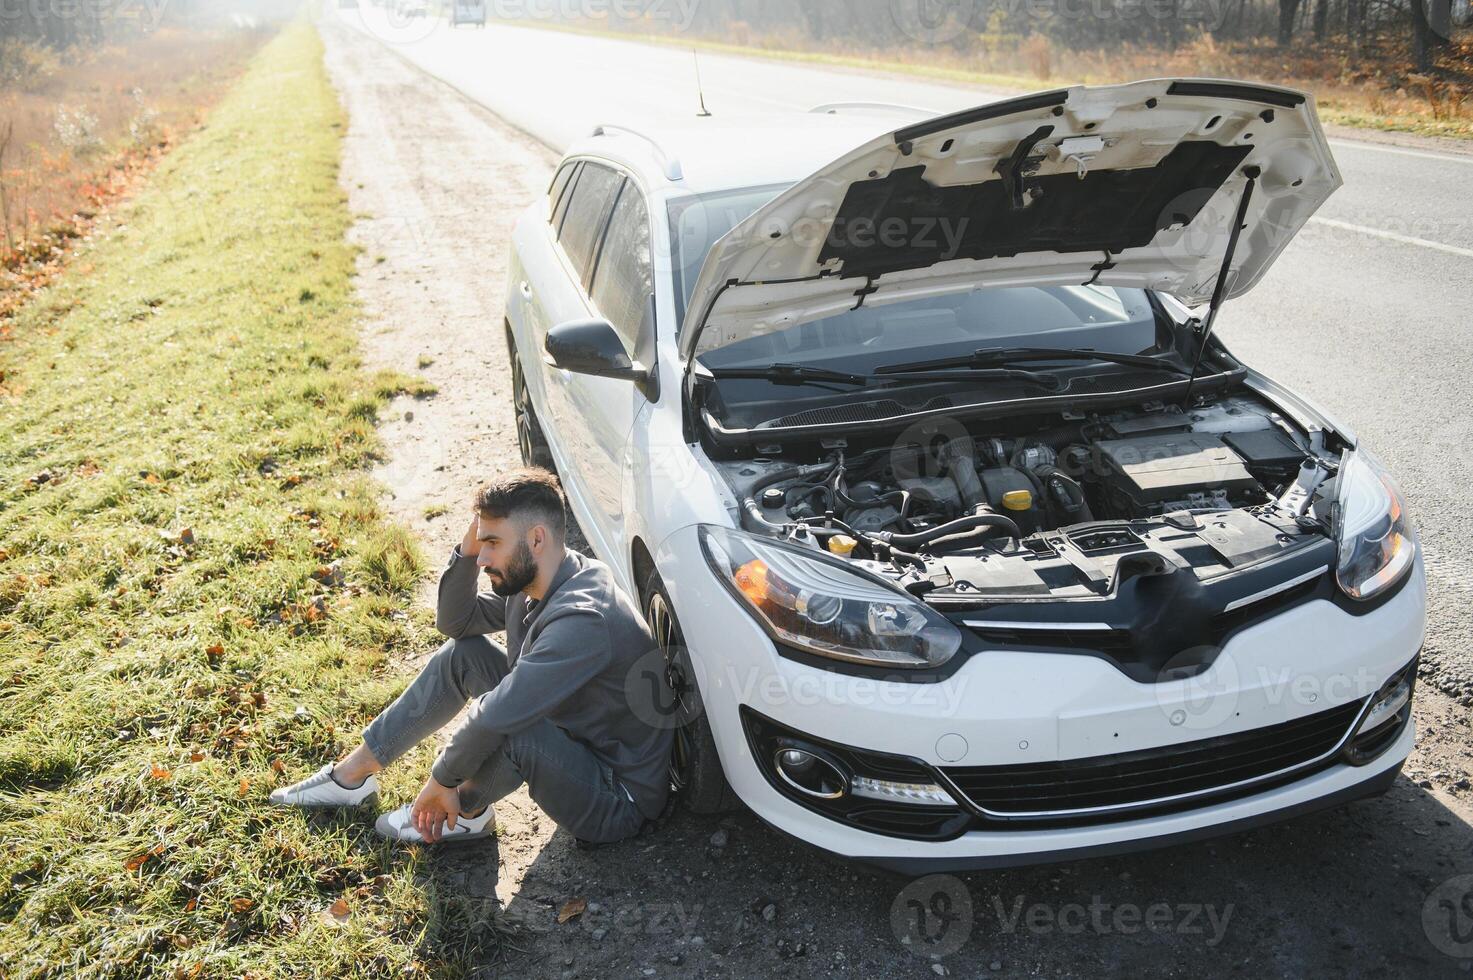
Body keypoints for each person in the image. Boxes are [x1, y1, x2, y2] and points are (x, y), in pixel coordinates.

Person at [269, 468, 673, 846]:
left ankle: (465, 809)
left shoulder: (583, 619)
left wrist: (442, 780)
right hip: (573, 740)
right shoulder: (542, 577)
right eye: (482, 543)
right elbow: (457, 623)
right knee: (465, 656)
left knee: (513, 723)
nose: (483, 558)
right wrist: (466, 550)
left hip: (614, 795)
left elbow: (499, 714)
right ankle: (350, 778)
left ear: (536, 539)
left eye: (492, 543)